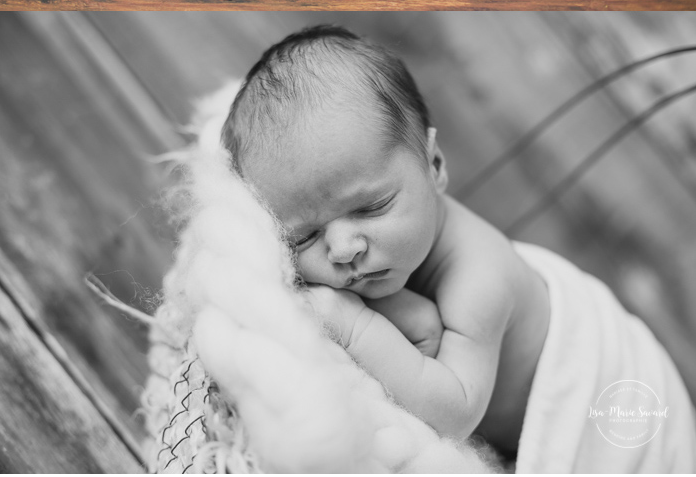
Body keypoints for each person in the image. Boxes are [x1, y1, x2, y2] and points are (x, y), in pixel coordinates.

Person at [219, 25, 696, 471]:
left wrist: (353, 327)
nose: (342, 248)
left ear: (436, 165)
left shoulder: (481, 279)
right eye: (303, 236)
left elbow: (456, 412)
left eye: (370, 207)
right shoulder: (384, 251)